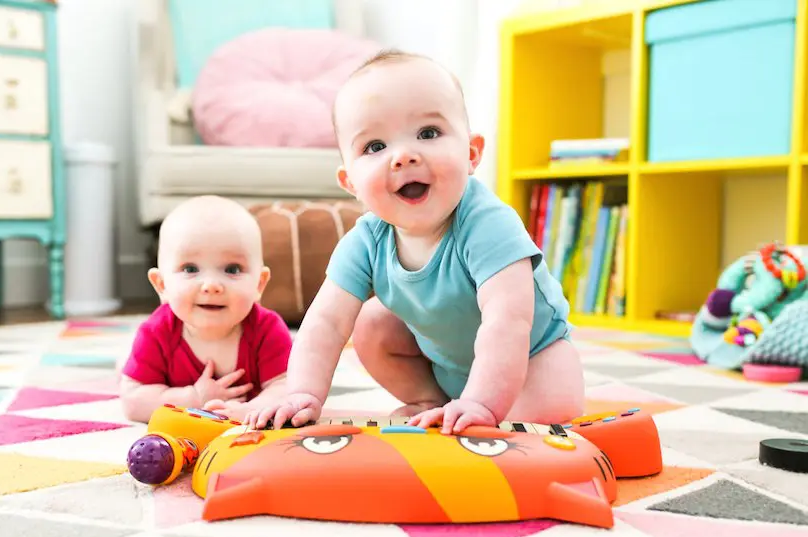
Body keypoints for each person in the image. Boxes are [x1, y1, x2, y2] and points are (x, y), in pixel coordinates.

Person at [244, 49, 585, 435]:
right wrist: (302, 392)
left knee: (540, 416)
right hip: (446, 370)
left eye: (428, 133)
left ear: (471, 154)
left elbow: (508, 322)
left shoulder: (488, 223)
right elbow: (325, 322)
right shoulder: (367, 240)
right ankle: (429, 401)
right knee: (371, 323)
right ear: (350, 183)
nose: (403, 156)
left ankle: (474, 412)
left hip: (532, 361)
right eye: (375, 147)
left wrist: (482, 404)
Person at [120, 196, 292, 423]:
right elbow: (133, 403)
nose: (211, 285)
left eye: (232, 269)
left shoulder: (267, 330)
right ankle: (125, 362)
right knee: (128, 373)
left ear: (259, 284)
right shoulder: (156, 332)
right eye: (190, 268)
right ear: (161, 285)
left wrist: (252, 410)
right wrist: (193, 397)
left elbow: (290, 388)